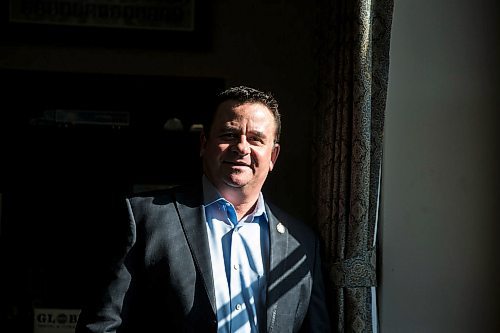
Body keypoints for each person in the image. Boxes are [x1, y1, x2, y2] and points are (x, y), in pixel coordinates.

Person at [76, 86, 330, 332]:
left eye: (255, 139)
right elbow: (103, 324)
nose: (242, 147)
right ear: (203, 143)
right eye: (229, 135)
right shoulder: (143, 218)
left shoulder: (302, 243)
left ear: (272, 156)